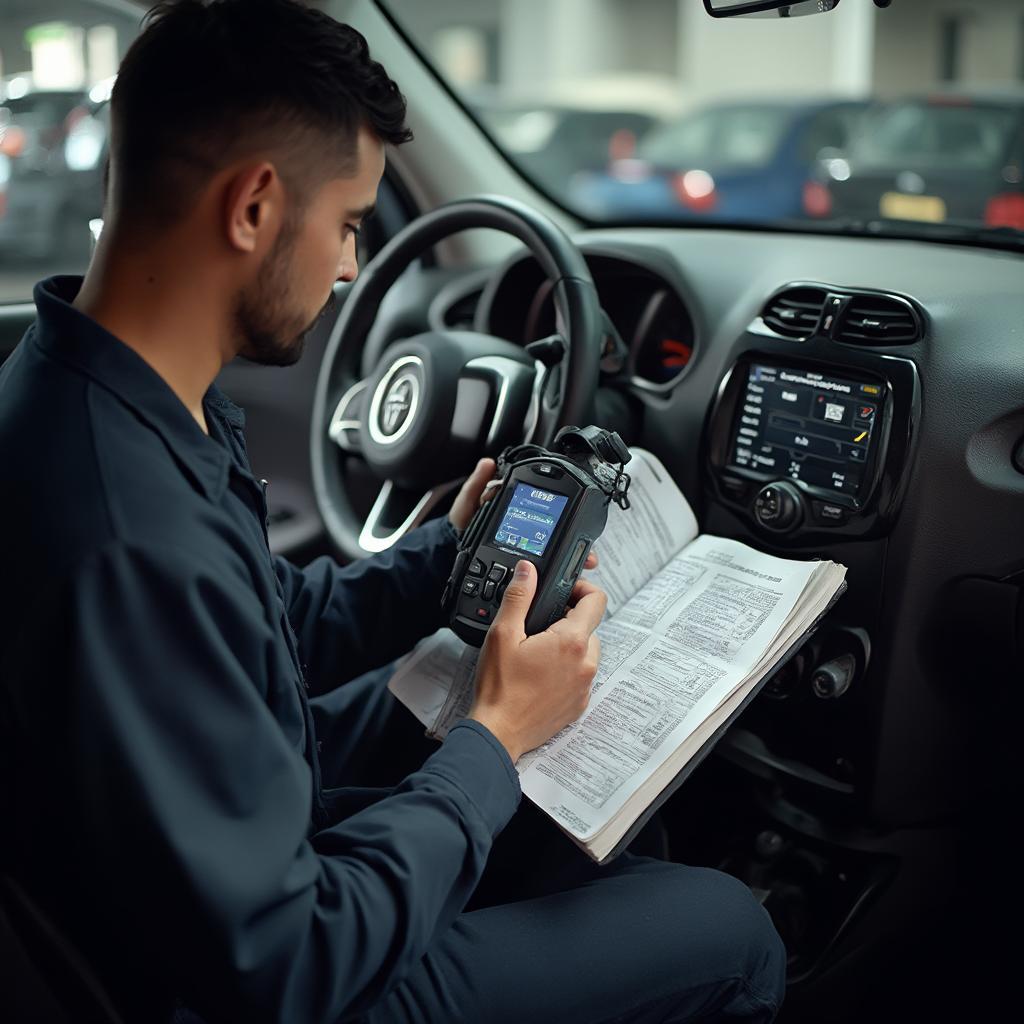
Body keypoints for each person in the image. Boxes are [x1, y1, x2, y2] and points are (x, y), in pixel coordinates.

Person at [0, 1, 785, 1021]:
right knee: (729, 931)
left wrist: (440, 558)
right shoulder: (126, 531)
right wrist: (496, 737)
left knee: (542, 818)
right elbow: (292, 961)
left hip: (187, 883)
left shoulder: (91, 400)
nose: (349, 268)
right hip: (268, 977)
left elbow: (262, 628)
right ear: (254, 208)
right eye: (349, 224)